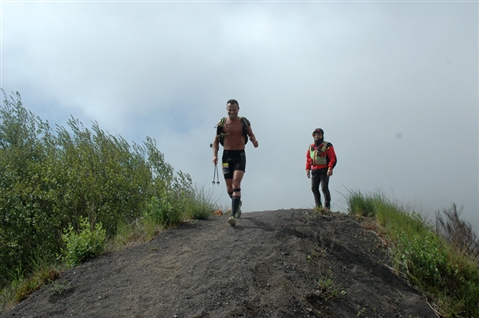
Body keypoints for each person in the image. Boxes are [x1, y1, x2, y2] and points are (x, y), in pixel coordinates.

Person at [212, 99, 259, 226]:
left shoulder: (243, 122)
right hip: (226, 157)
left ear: (238, 109)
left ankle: (232, 215)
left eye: (234, 109)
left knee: (236, 182)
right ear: (226, 110)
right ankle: (238, 203)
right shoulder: (222, 123)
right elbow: (216, 140)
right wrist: (215, 155)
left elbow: (251, 134)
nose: (232, 112)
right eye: (229, 110)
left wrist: (254, 141)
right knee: (229, 188)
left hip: (239, 155)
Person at [305, 128, 337, 211]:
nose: (316, 136)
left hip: (324, 170)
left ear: (322, 135)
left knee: (324, 188)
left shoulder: (328, 145)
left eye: (318, 134)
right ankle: (318, 206)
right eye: (315, 134)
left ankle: (327, 207)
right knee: (314, 188)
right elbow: (308, 158)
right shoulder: (311, 147)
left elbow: (332, 157)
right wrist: (307, 169)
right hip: (314, 171)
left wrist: (330, 168)